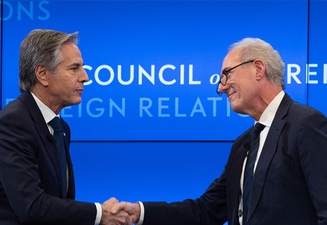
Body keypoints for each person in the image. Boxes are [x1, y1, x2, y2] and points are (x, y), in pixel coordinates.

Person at [112, 38, 327, 225]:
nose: (221, 88)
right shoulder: (243, 145)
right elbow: (206, 210)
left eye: (227, 74)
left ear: (258, 68)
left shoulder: (306, 124)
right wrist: (140, 212)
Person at [0, 29, 131, 225]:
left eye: (83, 67)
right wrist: (99, 214)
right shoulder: (13, 123)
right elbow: (32, 207)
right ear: (43, 74)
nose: (85, 77)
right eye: (74, 68)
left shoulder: (60, 127)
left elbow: (60, 202)